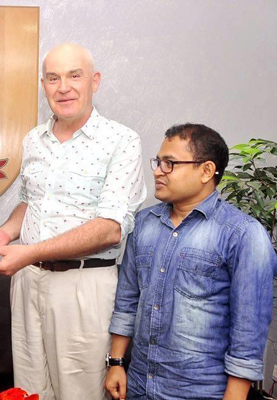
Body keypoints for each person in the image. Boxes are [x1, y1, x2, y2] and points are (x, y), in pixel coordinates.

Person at [0, 43, 146, 399]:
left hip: (83, 285)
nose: (64, 87)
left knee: (80, 392)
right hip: (27, 282)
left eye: (75, 76)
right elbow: (30, 201)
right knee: (28, 389)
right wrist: (5, 232)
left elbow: (110, 228)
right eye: (53, 78)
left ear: (95, 81)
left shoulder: (121, 141)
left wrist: (28, 252)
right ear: (43, 84)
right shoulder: (34, 139)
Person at [105, 124, 277, 400]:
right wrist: (116, 363)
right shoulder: (145, 223)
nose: (158, 170)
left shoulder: (243, 233)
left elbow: (248, 328)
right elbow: (127, 301)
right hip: (138, 385)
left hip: (202, 390)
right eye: (158, 161)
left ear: (206, 171)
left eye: (170, 163)